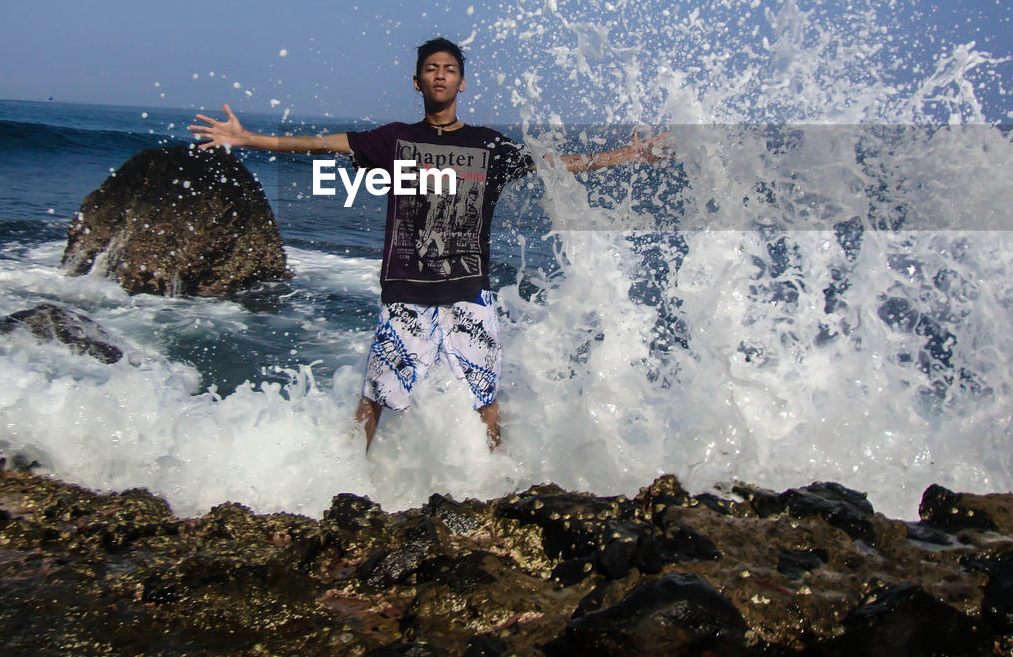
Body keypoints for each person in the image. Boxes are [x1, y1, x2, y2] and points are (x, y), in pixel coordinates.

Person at [189, 37, 663, 451]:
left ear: (462, 83)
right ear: (417, 82)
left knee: (485, 397)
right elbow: (322, 145)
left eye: (450, 69)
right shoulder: (394, 140)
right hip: (406, 293)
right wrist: (248, 137)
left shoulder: (488, 145)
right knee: (375, 396)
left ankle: (493, 487)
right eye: (432, 69)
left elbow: (559, 163)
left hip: (467, 291)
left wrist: (627, 154)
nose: (441, 75)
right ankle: (350, 480)